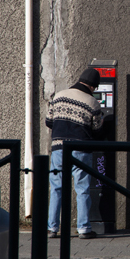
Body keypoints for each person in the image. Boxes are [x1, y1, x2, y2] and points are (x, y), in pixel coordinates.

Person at [44, 69, 105, 239]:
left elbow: (49, 121)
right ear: (93, 86)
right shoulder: (92, 102)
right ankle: (84, 229)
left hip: (58, 149)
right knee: (82, 189)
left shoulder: (59, 96)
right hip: (81, 151)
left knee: (56, 188)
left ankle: (52, 228)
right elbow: (98, 131)